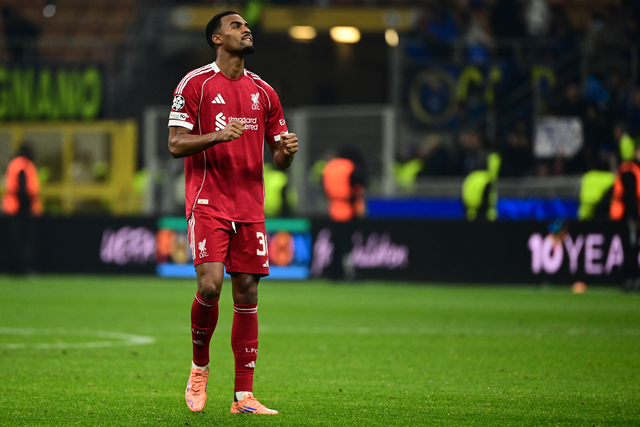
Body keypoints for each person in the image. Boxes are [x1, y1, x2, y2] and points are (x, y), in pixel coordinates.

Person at [167, 11, 298, 415]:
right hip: (208, 201)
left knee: (247, 292)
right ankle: (199, 368)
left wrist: (286, 151)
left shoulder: (265, 92)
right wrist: (217, 136)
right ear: (217, 39)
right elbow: (175, 144)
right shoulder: (195, 84)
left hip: (249, 206)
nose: (246, 29)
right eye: (236, 26)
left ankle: (244, 397)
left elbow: (278, 157)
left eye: (246, 25)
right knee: (210, 286)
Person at [321, 147, 366, 280]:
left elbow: (323, 185)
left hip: (333, 210)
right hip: (348, 210)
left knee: (335, 244)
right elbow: (358, 187)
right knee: (346, 244)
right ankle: (349, 273)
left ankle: (333, 273)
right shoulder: (351, 167)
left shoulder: (329, 167)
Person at [2, 144, 42, 274]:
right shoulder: (23, 165)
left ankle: (13, 268)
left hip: (13, 208)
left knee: (14, 239)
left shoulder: (15, 164)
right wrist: (28, 205)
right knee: (21, 240)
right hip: (20, 208)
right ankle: (21, 268)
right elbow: (23, 189)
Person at [610, 141, 640, 291]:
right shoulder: (629, 170)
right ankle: (630, 278)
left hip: (633, 215)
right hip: (627, 216)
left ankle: (631, 278)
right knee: (630, 248)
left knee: (632, 247)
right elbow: (629, 197)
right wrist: (635, 218)